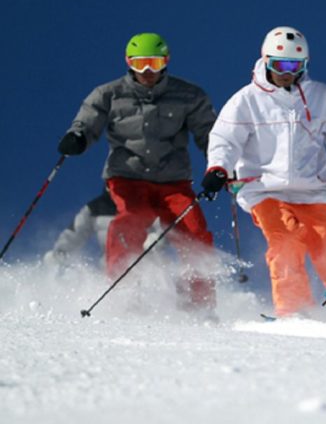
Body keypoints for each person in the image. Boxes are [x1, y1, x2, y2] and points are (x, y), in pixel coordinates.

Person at [201, 26, 326, 317]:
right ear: (265, 61)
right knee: (286, 241)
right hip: (265, 190)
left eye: (295, 66)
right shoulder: (247, 100)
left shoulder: (322, 96)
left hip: (313, 190)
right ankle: (294, 310)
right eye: (279, 65)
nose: (286, 72)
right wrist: (219, 168)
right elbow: (225, 140)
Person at [57, 33, 218, 312]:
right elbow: (89, 118)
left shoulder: (188, 95)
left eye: (154, 63)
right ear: (128, 63)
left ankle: (199, 302)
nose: (147, 72)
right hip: (128, 178)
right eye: (140, 63)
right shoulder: (109, 93)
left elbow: (210, 133)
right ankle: (123, 293)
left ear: (165, 62)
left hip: (173, 181)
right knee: (131, 220)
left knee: (193, 229)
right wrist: (78, 137)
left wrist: (219, 164)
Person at [43, 189, 167, 267]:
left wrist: (157, 238)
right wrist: (60, 253)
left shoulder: (144, 204)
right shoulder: (96, 207)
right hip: (110, 266)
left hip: (146, 265)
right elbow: (75, 232)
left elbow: (163, 227)